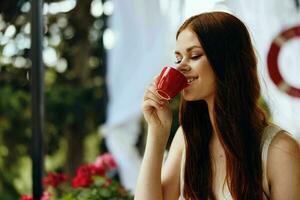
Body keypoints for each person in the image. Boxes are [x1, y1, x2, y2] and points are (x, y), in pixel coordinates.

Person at [134, 11, 300, 200]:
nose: (180, 67)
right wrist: (157, 132)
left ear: (228, 61)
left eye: (194, 55)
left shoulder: (280, 150)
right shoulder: (187, 139)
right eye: (178, 58)